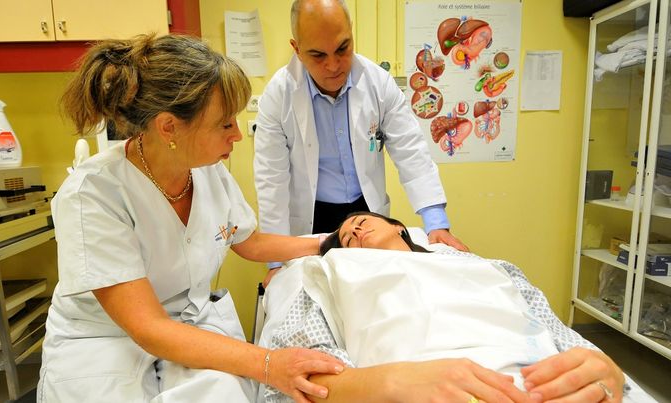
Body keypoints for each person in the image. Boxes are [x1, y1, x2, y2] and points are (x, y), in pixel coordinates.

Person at [37, 34, 345, 403]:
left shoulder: (206, 169)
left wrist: (334, 241)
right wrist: (269, 364)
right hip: (103, 343)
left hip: (192, 325)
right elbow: (148, 327)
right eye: (224, 123)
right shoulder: (92, 195)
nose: (237, 135)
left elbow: (248, 242)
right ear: (169, 127)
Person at [260, 211, 653, 403]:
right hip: (421, 384)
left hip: (532, 384)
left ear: (400, 227)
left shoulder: (487, 267)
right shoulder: (331, 270)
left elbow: (558, 333)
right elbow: (301, 372)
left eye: (361, 221)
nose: (355, 231)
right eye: (346, 236)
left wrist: (608, 375)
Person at [253, 0, 468, 276]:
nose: (333, 65)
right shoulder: (278, 96)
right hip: (310, 218)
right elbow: (271, 182)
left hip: (367, 212)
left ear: (351, 33)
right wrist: (275, 263)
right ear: (297, 49)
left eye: (343, 48)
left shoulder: (378, 83)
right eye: (318, 55)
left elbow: (411, 152)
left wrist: (436, 223)